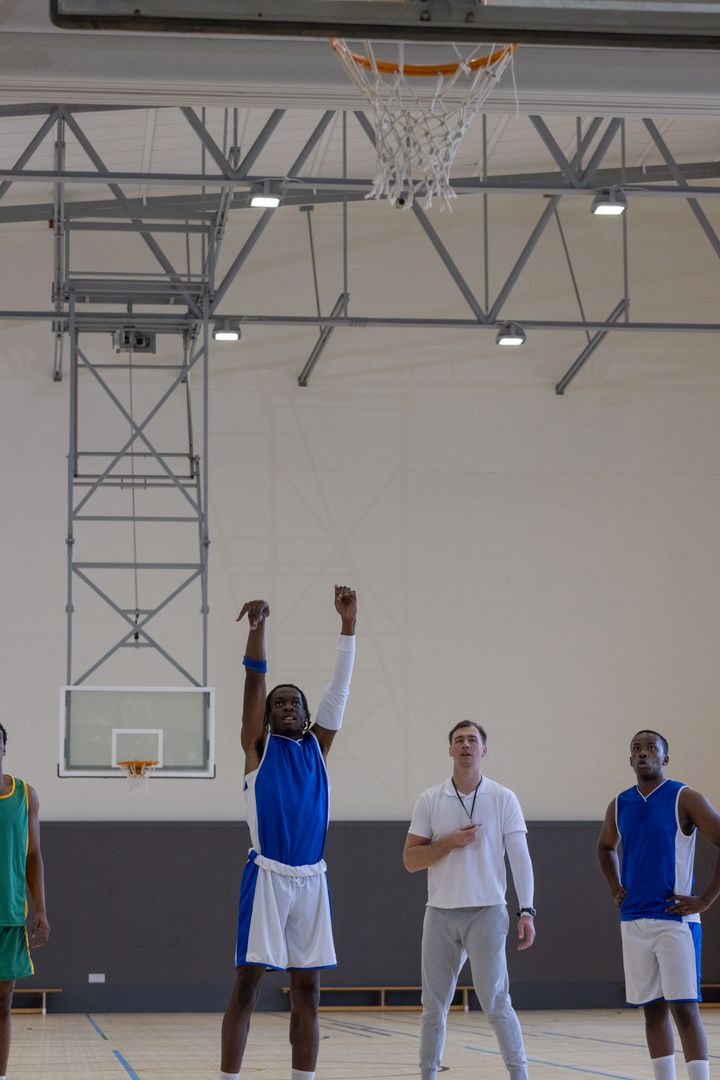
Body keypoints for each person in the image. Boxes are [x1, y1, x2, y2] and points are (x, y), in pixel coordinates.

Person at [220, 585, 357, 1080]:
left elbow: (339, 690)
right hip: (268, 878)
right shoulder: (258, 748)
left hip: (312, 880)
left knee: (308, 992)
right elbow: (254, 684)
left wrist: (348, 627)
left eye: (294, 701)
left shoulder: (318, 748)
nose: (286, 705)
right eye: (278, 702)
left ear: (305, 713)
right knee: (248, 984)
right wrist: (257, 631)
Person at [404, 721, 536, 1080]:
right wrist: (448, 842)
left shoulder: (503, 798)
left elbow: (520, 858)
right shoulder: (430, 799)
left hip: (487, 912)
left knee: (495, 1001)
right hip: (440, 914)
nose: (465, 745)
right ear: (450, 749)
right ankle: (428, 1073)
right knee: (433, 1006)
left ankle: (519, 1073)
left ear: (483, 750)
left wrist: (526, 910)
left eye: (472, 740)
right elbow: (411, 860)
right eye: (459, 740)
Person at [597, 729, 720, 1080]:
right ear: (630, 759)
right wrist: (615, 887)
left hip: (675, 920)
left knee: (685, 1009)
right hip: (633, 920)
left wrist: (706, 898)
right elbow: (605, 847)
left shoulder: (685, 798)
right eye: (636, 748)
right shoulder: (619, 804)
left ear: (665, 758)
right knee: (652, 1010)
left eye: (652, 748)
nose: (643, 753)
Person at [0, 723, 50, 1080]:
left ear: (4, 749)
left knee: (3, 1005)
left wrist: (41, 909)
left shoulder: (24, 795)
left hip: (10, 917)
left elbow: (34, 856)